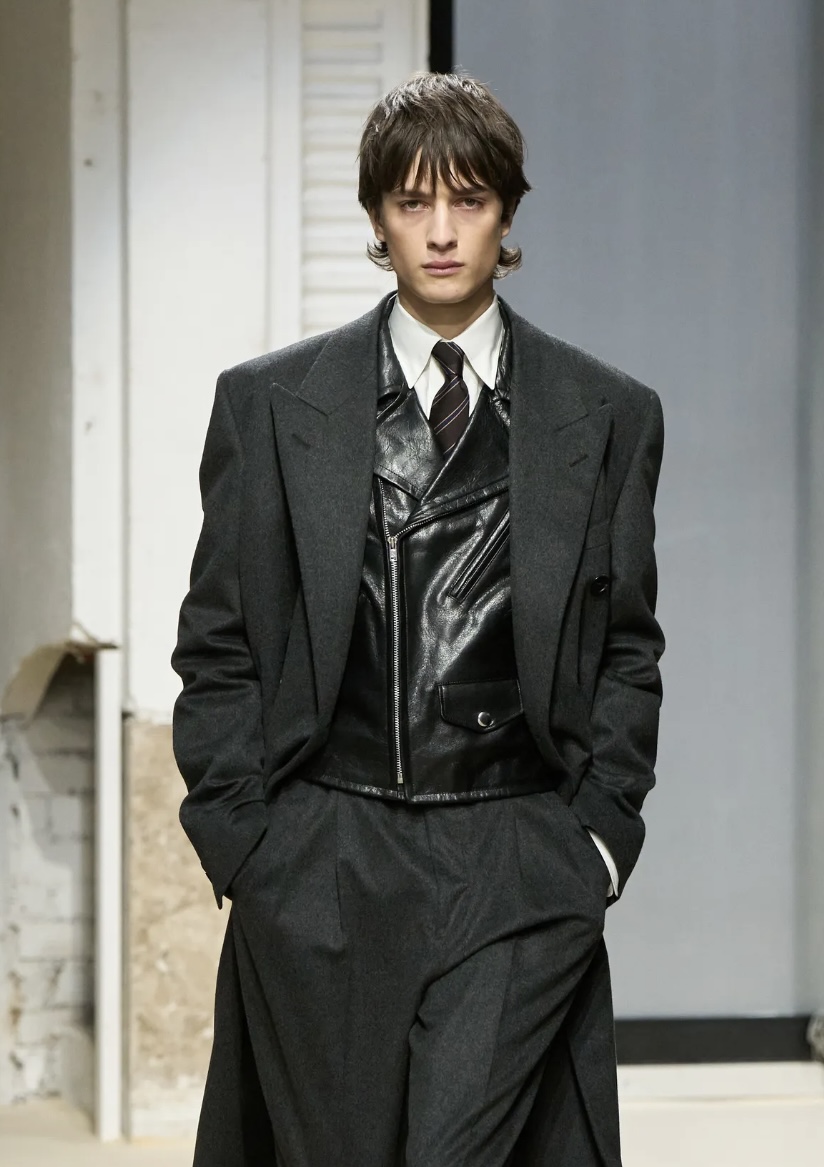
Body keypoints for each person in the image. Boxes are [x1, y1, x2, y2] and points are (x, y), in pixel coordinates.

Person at [172, 71, 665, 1167]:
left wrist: (596, 839)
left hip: (518, 850)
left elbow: (627, 644)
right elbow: (217, 640)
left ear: (507, 211)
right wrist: (246, 844)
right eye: (412, 202)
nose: (441, 233)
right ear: (377, 216)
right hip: (326, 855)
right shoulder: (269, 405)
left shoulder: (607, 414)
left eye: (469, 201)